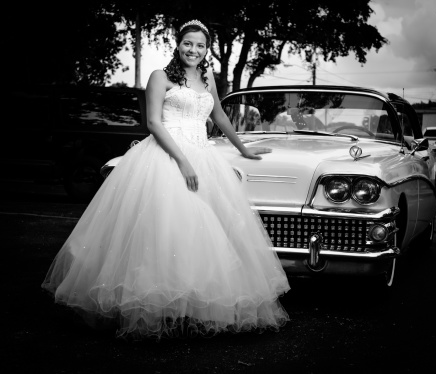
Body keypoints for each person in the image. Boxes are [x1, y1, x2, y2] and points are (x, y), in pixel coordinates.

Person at [42, 19, 290, 339]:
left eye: (200, 45)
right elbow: (154, 123)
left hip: (205, 156)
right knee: (162, 230)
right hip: (166, 156)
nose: (194, 50)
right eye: (189, 43)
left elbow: (219, 116)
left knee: (207, 233)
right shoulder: (160, 76)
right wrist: (183, 162)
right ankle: (153, 307)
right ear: (178, 43)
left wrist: (245, 149)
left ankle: (191, 306)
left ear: (206, 49)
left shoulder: (206, 77)